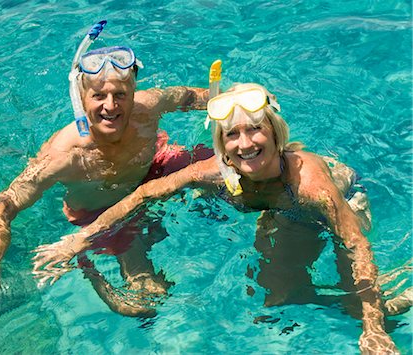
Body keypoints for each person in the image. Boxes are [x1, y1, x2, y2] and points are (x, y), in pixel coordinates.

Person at [33, 83, 411, 353]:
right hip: (278, 211)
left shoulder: (311, 184)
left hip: (334, 203)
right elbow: (145, 193)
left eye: (255, 130)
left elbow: (355, 243)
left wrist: (374, 330)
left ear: (276, 135)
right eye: (233, 135)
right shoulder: (216, 170)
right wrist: (80, 239)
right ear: (222, 146)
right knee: (276, 302)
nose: (245, 143)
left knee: (360, 307)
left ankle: (399, 295)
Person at [0, 21, 213, 310]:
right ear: (81, 101)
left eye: (120, 94)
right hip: (103, 215)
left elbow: (192, 96)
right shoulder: (64, 154)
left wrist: (239, 101)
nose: (111, 106)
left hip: (156, 166)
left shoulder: (149, 106)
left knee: (234, 169)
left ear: (132, 94)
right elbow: (1, 207)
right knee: (146, 300)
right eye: (99, 96)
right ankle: (90, 267)